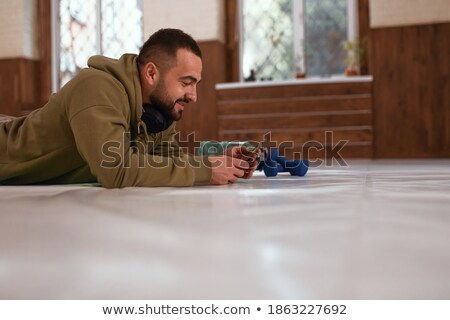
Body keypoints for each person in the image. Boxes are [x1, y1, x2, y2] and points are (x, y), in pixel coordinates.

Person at [0, 28, 259, 188]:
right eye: (185, 83)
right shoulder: (97, 87)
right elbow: (116, 169)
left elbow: (167, 160)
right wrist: (205, 171)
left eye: (196, 84)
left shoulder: (159, 110)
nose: (193, 96)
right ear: (150, 73)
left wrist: (220, 158)